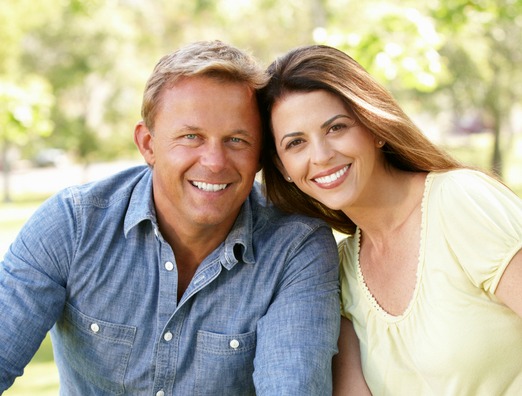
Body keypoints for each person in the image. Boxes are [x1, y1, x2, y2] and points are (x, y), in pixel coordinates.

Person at [0, 40, 341, 395]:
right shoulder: (73, 225)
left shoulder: (295, 248)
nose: (214, 161)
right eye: (191, 136)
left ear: (260, 154)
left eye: (237, 140)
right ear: (148, 144)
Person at [259, 44, 522, 395]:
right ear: (283, 169)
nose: (321, 155)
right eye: (296, 143)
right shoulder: (343, 271)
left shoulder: (460, 201)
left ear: (375, 127)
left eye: (336, 128)